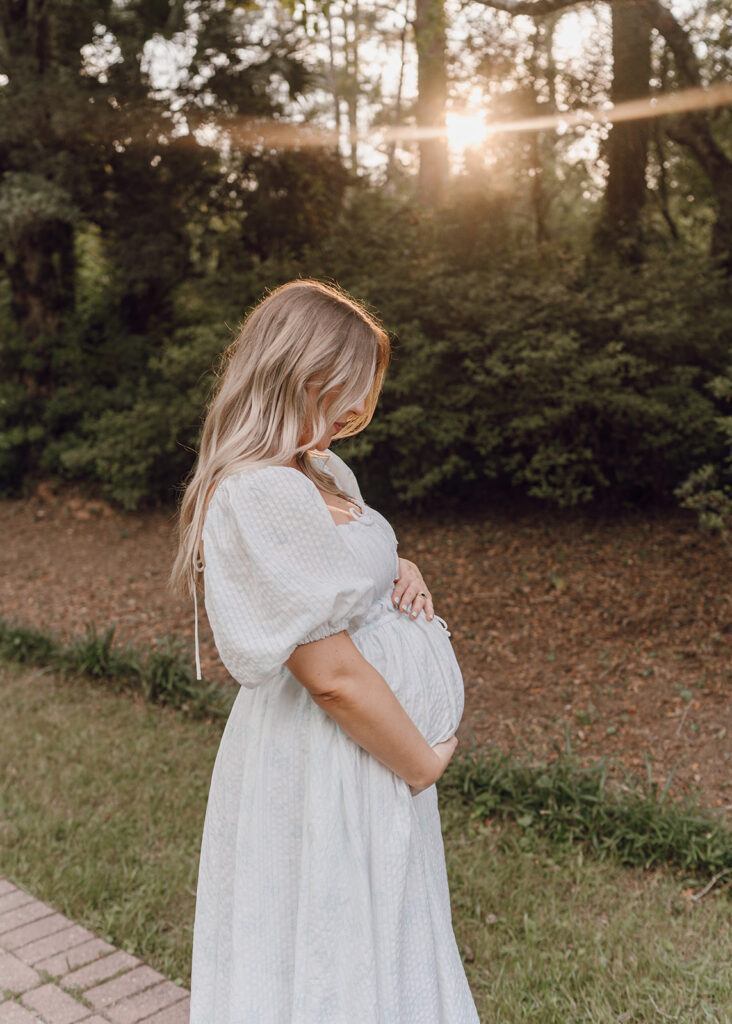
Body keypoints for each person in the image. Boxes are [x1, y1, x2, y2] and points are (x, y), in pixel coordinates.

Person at [170, 279, 481, 1023]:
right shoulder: (259, 493)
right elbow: (333, 676)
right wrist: (420, 762)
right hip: (337, 754)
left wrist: (399, 568)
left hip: (370, 755)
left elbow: (346, 573)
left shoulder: (321, 470)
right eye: (347, 392)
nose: (355, 413)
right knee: (336, 942)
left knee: (383, 932)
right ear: (299, 375)